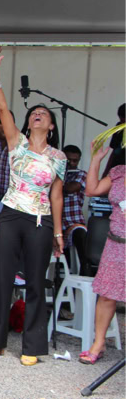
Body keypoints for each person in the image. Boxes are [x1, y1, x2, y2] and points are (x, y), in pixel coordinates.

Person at [0, 47, 66, 367]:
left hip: (41, 220)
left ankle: (32, 345)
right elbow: (3, 107)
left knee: (35, 282)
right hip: (12, 214)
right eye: (33, 113)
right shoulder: (17, 143)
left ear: (51, 126)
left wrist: (58, 232)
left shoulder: (58, 157)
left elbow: (57, 196)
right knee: (3, 277)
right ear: (28, 122)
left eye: (43, 113)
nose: (37, 114)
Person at [79, 136, 125, 364]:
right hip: (115, 243)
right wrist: (96, 159)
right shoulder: (118, 172)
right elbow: (91, 189)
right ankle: (98, 343)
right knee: (107, 295)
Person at [62, 144, 87, 271]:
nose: (71, 164)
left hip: (74, 220)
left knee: (80, 235)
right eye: (68, 161)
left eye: (75, 161)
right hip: (56, 221)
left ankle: (84, 268)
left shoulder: (81, 174)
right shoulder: (55, 173)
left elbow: (71, 188)